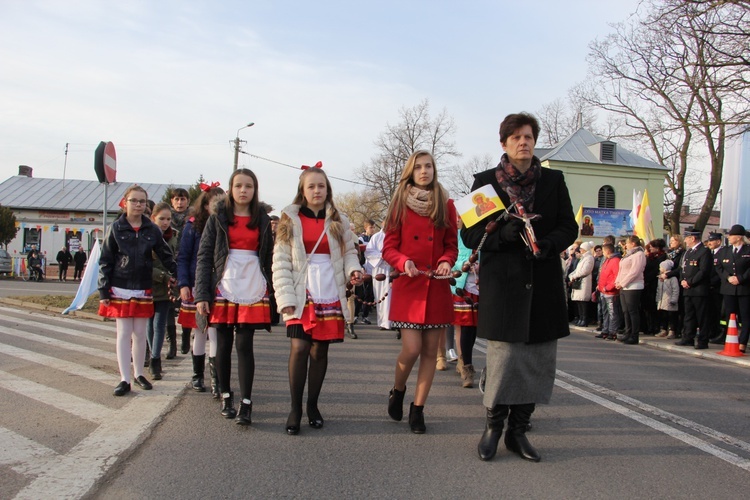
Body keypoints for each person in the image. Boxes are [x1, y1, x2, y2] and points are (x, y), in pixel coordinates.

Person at [462, 112, 577, 462]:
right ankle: (493, 427)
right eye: (516, 138)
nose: (523, 142)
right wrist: (505, 234)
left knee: (539, 358)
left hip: (542, 282)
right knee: (505, 358)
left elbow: (568, 226)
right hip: (504, 284)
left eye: (528, 136)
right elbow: (470, 235)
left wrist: (548, 243)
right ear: (504, 144)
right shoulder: (485, 183)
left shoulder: (553, 180)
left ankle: (518, 431)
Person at [272, 166, 362, 435]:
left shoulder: (339, 220)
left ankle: (313, 405)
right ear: (302, 189)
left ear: (327, 189)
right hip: (301, 290)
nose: (316, 190)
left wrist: (353, 270)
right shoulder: (289, 219)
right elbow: (281, 261)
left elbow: (349, 253)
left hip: (329, 289)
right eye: (311, 186)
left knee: (320, 351)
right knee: (299, 348)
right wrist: (285, 297)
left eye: (321, 186)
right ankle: (295, 408)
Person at [382, 150, 457, 434]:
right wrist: (404, 261)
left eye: (428, 166)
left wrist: (446, 261)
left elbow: (451, 244)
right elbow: (389, 246)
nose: (424, 171)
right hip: (409, 284)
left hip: (436, 285)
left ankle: (418, 409)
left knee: (429, 352)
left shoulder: (446, 203)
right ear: (410, 172)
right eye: (418, 167)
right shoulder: (400, 203)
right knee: (411, 348)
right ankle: (398, 390)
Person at [195, 169, 273, 425]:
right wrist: (202, 294)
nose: (243, 190)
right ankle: (226, 395)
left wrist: (273, 291)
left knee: (245, 345)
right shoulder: (218, 217)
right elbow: (205, 256)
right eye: (238, 185)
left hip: (252, 282)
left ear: (254, 189)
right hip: (225, 283)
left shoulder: (261, 218)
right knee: (224, 344)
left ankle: (247, 402)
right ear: (230, 189)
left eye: (248, 186)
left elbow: (269, 256)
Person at [98, 185, 177, 397]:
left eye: (142, 201)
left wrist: (179, 273)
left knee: (141, 333)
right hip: (120, 286)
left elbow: (165, 254)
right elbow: (105, 259)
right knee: (124, 333)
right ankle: (124, 378)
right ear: (125, 202)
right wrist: (103, 289)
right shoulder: (116, 228)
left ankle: (139, 373)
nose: (138, 205)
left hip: (142, 286)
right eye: (134, 200)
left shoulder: (151, 230)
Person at [178, 184, 226, 396]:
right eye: (214, 203)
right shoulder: (192, 227)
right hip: (198, 285)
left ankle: (216, 378)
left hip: (220, 286)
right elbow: (184, 257)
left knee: (216, 332)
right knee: (199, 332)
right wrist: (184, 284)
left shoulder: (225, 224)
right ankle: (197, 375)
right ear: (205, 205)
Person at [146, 202, 179, 380]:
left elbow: (177, 258)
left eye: (168, 219)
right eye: (161, 219)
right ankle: (152, 354)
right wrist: (163, 276)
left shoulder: (174, 236)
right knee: (149, 324)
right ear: (153, 218)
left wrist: (175, 278)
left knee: (159, 324)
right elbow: (145, 264)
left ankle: (155, 360)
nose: (165, 222)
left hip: (167, 288)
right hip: (149, 284)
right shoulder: (146, 235)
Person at [452, 219, 479, 388]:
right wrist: (464, 265)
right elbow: (450, 257)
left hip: (482, 284)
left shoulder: (485, 233)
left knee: (474, 327)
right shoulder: (458, 235)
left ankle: (464, 360)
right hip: (464, 286)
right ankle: (466, 367)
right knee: (465, 326)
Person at [715, 224, 750, 353]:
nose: (729, 237)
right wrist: (728, 277)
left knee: (745, 316)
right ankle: (730, 339)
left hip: (744, 288)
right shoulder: (725, 251)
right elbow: (718, 266)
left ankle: (743, 342)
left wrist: (740, 278)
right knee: (730, 315)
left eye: (731, 235)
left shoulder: (748, 250)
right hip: (728, 287)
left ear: (739, 237)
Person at [675, 227, 712, 349]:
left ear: (693, 238)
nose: (685, 240)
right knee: (689, 315)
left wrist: (690, 282)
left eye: (686, 238)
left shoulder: (704, 251)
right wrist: (682, 281)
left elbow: (703, 271)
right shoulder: (688, 252)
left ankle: (702, 340)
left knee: (701, 316)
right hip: (688, 289)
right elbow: (682, 269)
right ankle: (688, 337)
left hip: (699, 289)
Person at [170, 187, 192, 356]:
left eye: (183, 199)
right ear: (172, 201)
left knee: (186, 303)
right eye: (177, 199)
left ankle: (186, 335)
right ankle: (172, 343)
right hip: (169, 265)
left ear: (188, 201)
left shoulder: (192, 219)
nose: (180, 202)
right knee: (169, 305)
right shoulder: (166, 218)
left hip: (185, 264)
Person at [615, 236, 647, 345]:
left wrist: (623, 283)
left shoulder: (639, 254)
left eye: (627, 243)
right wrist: (618, 282)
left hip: (633, 286)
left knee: (632, 311)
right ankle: (627, 333)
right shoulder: (628, 255)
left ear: (633, 243)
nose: (625, 245)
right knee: (626, 311)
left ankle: (634, 335)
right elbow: (621, 270)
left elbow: (635, 271)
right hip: (624, 286)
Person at [364, 225, 392, 331]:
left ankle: (394, 321)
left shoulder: (396, 235)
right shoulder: (376, 237)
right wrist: (382, 256)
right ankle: (383, 322)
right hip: (380, 268)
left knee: (392, 296)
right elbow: (369, 252)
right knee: (381, 296)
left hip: (392, 268)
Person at [596, 243, 621, 340]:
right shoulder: (607, 260)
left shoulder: (615, 261)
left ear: (607, 251)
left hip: (610, 292)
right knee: (605, 312)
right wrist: (600, 286)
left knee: (612, 312)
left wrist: (609, 287)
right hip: (603, 290)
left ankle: (612, 331)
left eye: (603, 250)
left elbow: (616, 276)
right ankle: (605, 330)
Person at [567, 242, 595, 327]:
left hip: (583, 281)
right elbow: (577, 269)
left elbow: (585, 270)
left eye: (582, 248)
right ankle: (580, 317)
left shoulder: (589, 258)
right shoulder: (583, 258)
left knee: (583, 301)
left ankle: (584, 319)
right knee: (578, 301)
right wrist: (571, 275)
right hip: (577, 281)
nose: (581, 250)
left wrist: (575, 276)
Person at [656, 260, 679, 338]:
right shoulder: (660, 278)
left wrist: (674, 299)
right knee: (663, 316)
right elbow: (658, 290)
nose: (660, 268)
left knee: (671, 316)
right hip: (662, 301)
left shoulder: (673, 278)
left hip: (670, 301)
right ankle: (663, 330)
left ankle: (672, 331)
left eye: (661, 267)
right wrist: (657, 299)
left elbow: (676, 290)